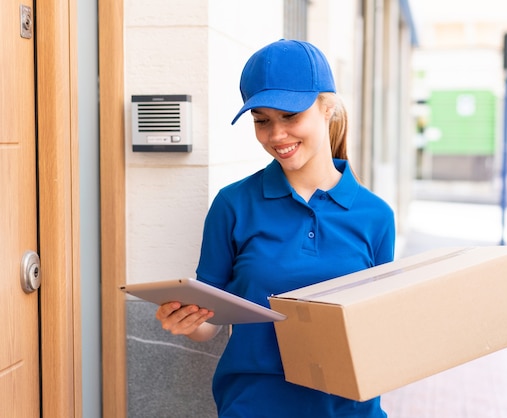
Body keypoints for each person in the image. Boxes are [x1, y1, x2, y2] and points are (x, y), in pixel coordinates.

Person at [156, 39, 395, 418]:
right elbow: (211, 320)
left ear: (327, 107)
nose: (276, 135)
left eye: (290, 116)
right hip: (254, 406)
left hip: (349, 410)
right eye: (262, 121)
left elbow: (379, 328)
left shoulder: (375, 215)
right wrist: (187, 323)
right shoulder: (233, 205)